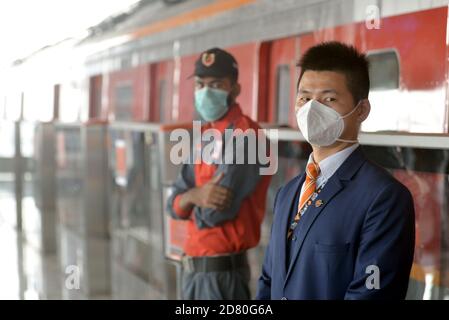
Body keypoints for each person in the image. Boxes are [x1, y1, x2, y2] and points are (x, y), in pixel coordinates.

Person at [257, 42, 415, 300]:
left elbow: (370, 295)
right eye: (304, 98)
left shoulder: (384, 198)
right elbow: (268, 280)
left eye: (329, 99)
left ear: (361, 110)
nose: (312, 109)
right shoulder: (287, 193)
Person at [167, 47, 271, 300]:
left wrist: (189, 199)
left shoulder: (247, 137)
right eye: (200, 84)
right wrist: (194, 196)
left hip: (222, 277)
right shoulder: (205, 134)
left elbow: (214, 214)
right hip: (193, 271)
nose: (205, 92)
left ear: (234, 90)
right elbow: (173, 203)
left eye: (215, 84)